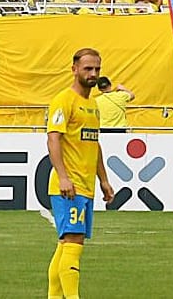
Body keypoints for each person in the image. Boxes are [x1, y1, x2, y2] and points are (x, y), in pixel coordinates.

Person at [46, 48, 114, 299]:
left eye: (97, 68)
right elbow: (53, 139)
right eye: (87, 68)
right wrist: (63, 176)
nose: (93, 73)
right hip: (68, 186)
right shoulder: (64, 100)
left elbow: (94, 144)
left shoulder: (93, 104)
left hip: (86, 186)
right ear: (74, 69)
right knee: (74, 240)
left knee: (66, 243)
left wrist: (104, 180)